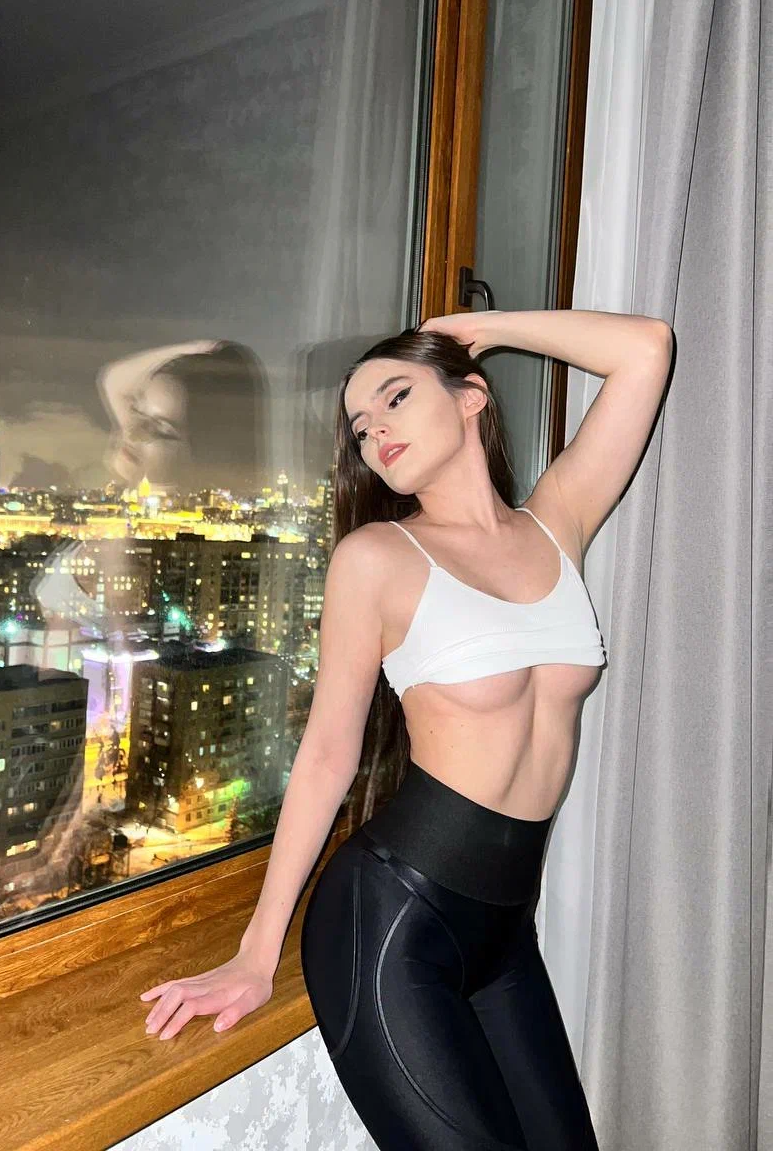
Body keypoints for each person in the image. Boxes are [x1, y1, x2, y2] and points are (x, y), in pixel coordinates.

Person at [139, 309, 674, 1150]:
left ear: (471, 397)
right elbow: (328, 754)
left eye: (395, 398)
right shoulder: (377, 559)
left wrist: (483, 325)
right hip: (392, 920)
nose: (375, 431)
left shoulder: (556, 522)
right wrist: (256, 951)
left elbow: (647, 349)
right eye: (360, 426)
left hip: (507, 932)